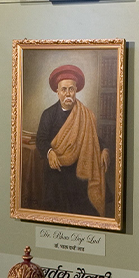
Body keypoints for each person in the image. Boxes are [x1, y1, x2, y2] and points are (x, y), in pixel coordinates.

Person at [35, 65, 109, 216]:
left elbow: (93, 137)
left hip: (79, 172)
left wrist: (104, 150)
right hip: (57, 171)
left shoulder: (85, 114)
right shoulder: (48, 114)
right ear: (57, 92)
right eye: (64, 89)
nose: (68, 93)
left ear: (76, 90)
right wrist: (50, 152)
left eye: (71, 89)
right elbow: (41, 140)